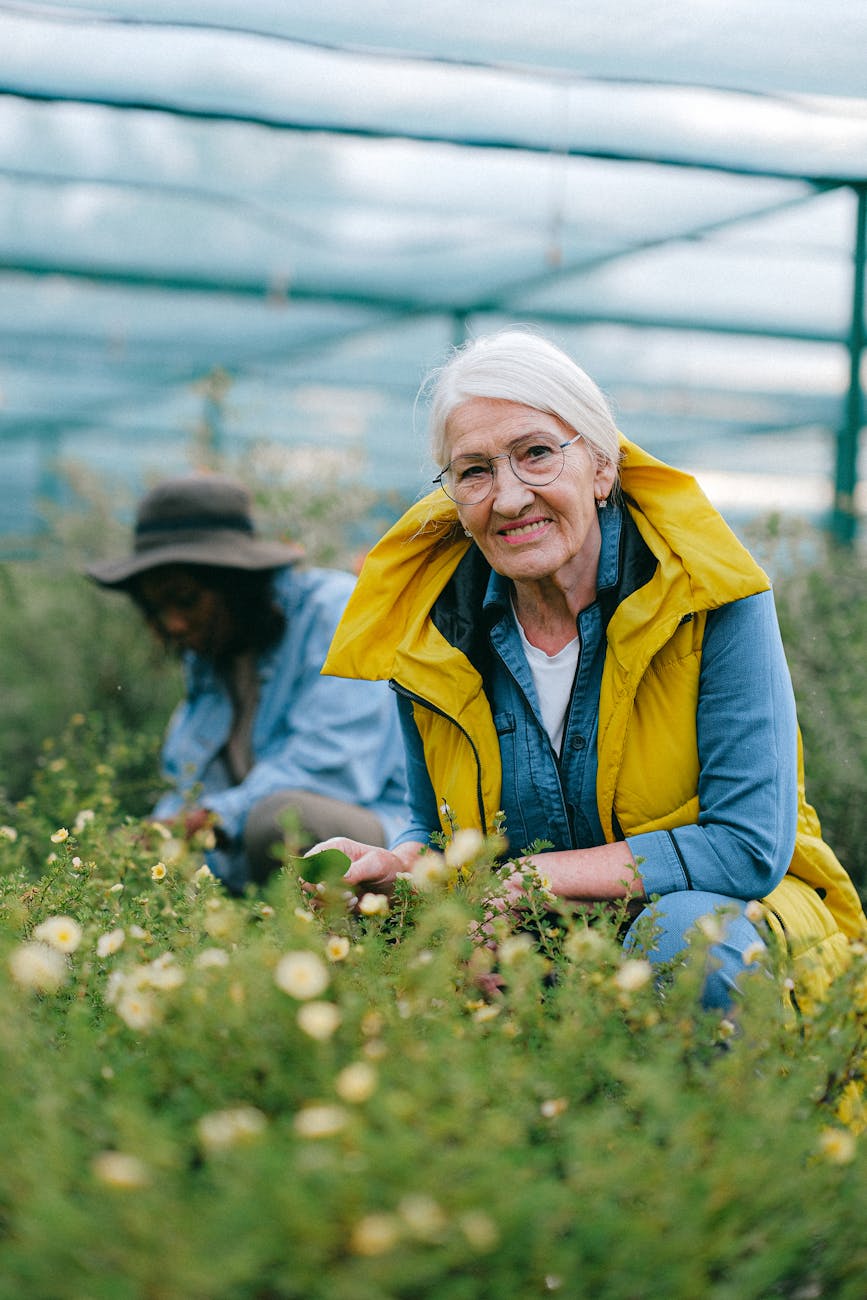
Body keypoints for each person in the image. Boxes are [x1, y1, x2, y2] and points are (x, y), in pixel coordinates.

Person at [314, 328, 865, 1009]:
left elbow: (746, 847)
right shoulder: (430, 633)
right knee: (361, 939)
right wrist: (395, 870)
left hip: (736, 927)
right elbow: (436, 832)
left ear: (601, 468)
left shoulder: (710, 599)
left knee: (682, 938)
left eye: (536, 454)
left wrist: (529, 880)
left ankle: (723, 1115)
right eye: (475, 471)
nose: (509, 498)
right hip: (536, 937)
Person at [87, 472, 408, 893]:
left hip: (383, 839)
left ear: (235, 583)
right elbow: (195, 782)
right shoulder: (214, 651)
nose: (173, 623)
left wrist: (205, 822)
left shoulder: (334, 611)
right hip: (265, 847)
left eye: (185, 600)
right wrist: (150, 835)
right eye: (155, 607)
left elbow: (331, 767)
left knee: (283, 821)